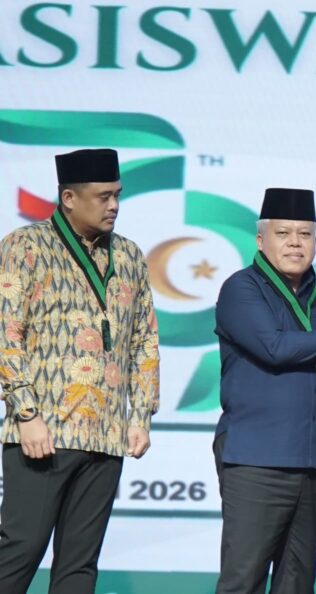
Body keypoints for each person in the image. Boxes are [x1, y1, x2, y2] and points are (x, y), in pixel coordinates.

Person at [0, 148, 160, 594]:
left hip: (106, 435)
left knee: (79, 564)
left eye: (117, 195)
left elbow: (144, 340)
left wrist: (139, 416)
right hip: (43, 433)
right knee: (20, 549)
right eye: (103, 196)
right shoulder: (25, 246)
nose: (114, 205)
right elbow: (6, 333)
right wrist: (27, 413)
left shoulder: (129, 255)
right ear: (69, 198)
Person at [213, 187, 316, 594]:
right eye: (283, 233)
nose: (295, 243)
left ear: (315, 242)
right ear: (260, 240)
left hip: (314, 463)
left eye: (305, 234)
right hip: (257, 460)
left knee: (298, 582)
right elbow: (275, 348)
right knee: (243, 580)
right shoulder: (242, 289)